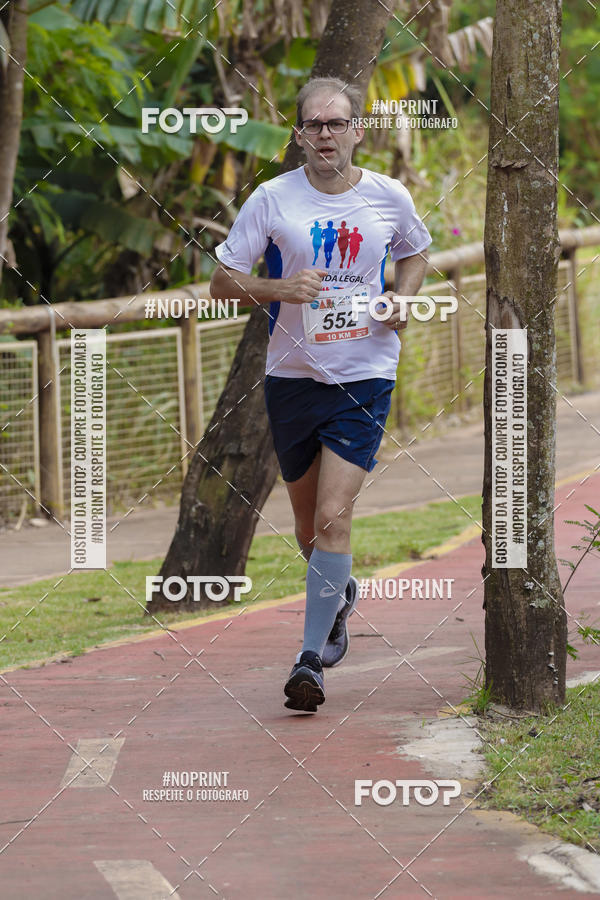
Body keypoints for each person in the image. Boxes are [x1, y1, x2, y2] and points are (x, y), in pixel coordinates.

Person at [211, 76, 431, 712]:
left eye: (337, 124)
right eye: (315, 125)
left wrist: (401, 297)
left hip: (365, 372)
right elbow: (224, 284)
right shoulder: (272, 199)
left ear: (357, 131)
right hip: (292, 379)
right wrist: (282, 291)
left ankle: (309, 662)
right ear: (299, 134)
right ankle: (337, 600)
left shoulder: (389, 196)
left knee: (335, 516)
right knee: (310, 529)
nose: (326, 135)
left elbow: (416, 252)